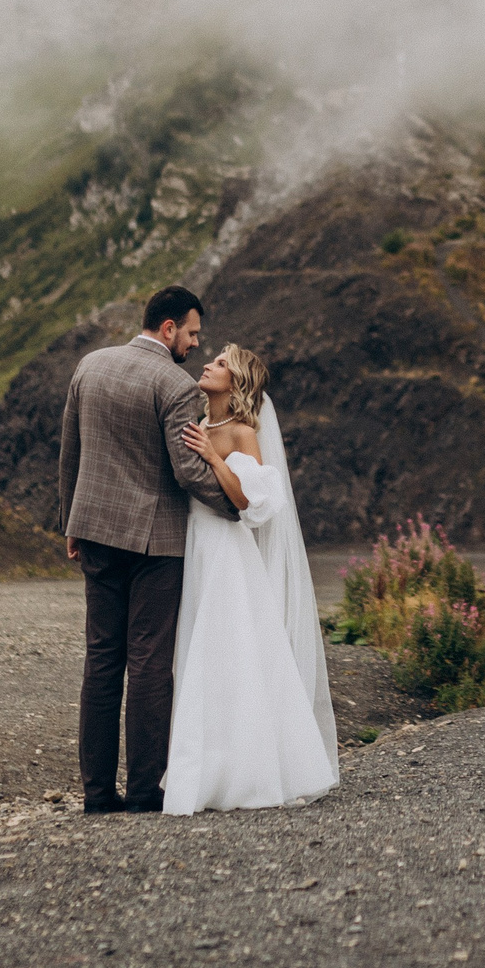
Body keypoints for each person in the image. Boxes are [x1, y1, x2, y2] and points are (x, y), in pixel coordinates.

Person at [56, 284, 237, 814]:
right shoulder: (175, 385)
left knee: (101, 661)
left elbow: (71, 451)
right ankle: (142, 791)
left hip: (94, 531)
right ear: (168, 328)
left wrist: (70, 521)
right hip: (155, 543)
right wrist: (239, 505)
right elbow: (187, 472)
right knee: (150, 665)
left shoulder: (90, 366)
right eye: (192, 334)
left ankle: (96, 795)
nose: (196, 345)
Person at [161, 343, 339, 813]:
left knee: (230, 651)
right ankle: (207, 768)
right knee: (199, 650)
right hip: (195, 545)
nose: (207, 364)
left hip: (226, 550)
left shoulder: (242, 431)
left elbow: (248, 501)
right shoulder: (198, 423)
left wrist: (213, 458)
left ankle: (249, 773)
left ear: (236, 382)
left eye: (220, 363)